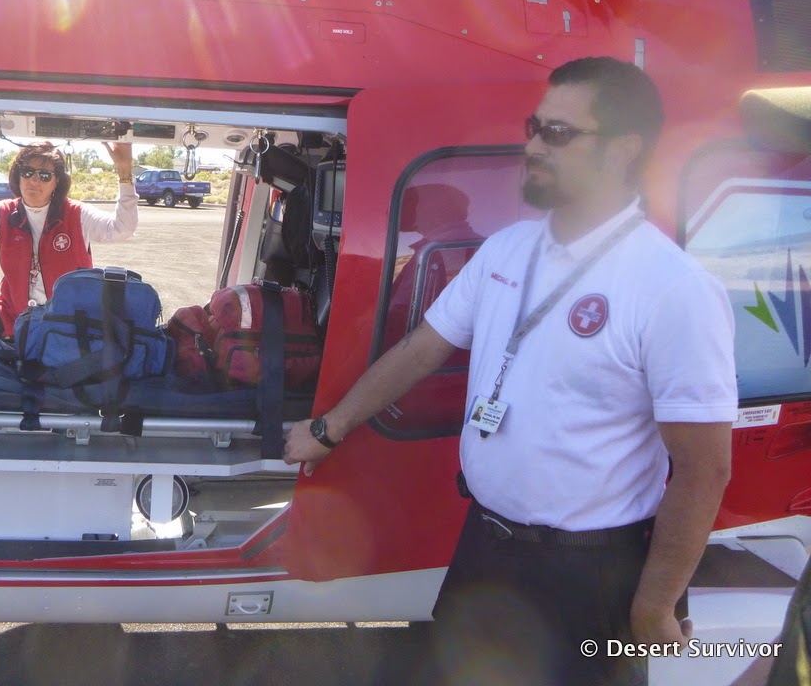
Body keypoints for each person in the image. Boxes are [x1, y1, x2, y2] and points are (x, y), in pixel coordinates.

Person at [283, 57, 737, 685]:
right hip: (485, 549)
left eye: (558, 133)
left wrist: (656, 604)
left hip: (590, 576)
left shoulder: (673, 288)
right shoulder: (506, 250)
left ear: (623, 149)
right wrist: (328, 428)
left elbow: (703, 467)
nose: (533, 146)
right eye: (534, 127)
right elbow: (421, 349)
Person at [0, 135, 138, 338]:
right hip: (12, 315)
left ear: (56, 181)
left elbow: (122, 228)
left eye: (44, 175)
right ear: (18, 176)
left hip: (67, 321)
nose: (33, 180)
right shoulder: (4, 212)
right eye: (27, 172)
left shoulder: (77, 214)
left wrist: (125, 174)